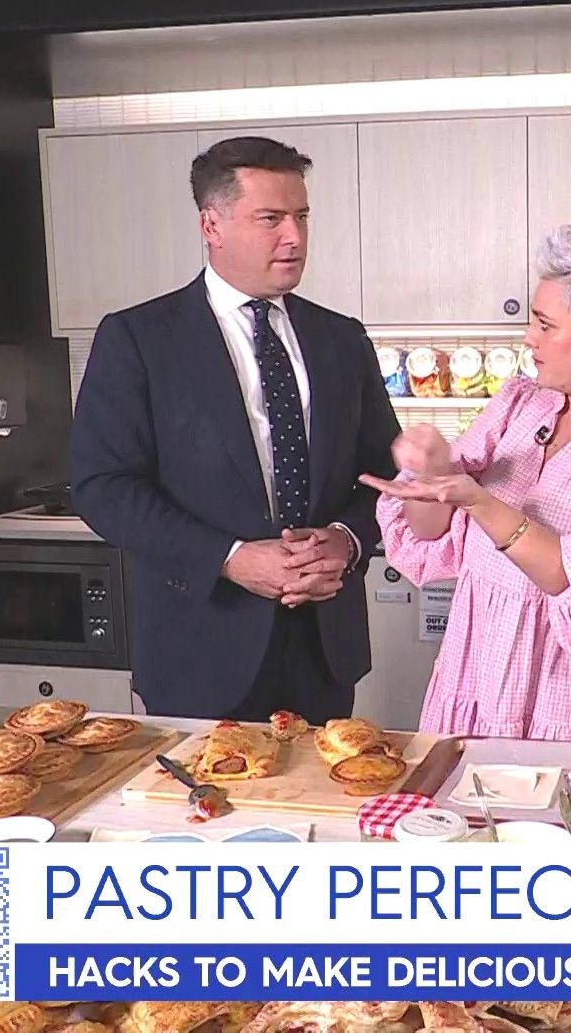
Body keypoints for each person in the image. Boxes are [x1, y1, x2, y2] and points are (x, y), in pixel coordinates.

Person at [70, 136, 399, 721]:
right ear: (211, 225)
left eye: (301, 216)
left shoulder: (342, 339)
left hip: (323, 649)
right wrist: (230, 558)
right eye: (270, 219)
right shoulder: (140, 339)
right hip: (199, 649)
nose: (294, 237)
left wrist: (346, 541)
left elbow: (385, 475)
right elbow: (104, 488)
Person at [361, 225, 571, 745]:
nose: (528, 338)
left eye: (545, 325)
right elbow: (431, 533)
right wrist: (431, 470)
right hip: (482, 669)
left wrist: (478, 500)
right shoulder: (519, 404)